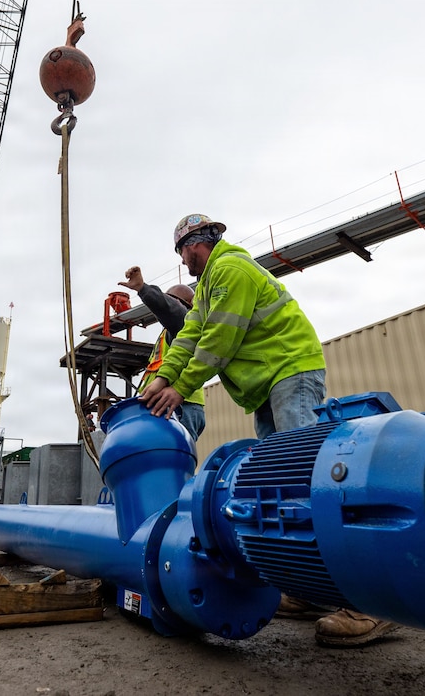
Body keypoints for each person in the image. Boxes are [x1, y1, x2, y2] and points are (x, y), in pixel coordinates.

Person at [140, 213, 397, 647]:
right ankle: (312, 589)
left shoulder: (231, 270)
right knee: (281, 487)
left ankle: (373, 601)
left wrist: (181, 388)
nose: (185, 263)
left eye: (185, 252)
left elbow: (218, 342)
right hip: (266, 383)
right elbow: (188, 338)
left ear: (199, 242)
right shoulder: (207, 287)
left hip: (288, 370)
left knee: (306, 479)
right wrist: (162, 379)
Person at [118, 265, 205, 440]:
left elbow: (171, 308)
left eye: (171, 300)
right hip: (170, 403)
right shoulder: (168, 334)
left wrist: (143, 289)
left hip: (180, 404)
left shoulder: (184, 321)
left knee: (173, 458)